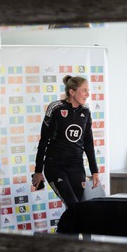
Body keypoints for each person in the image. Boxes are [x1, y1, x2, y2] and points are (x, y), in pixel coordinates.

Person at [32, 75, 100, 209]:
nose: (88, 94)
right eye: (84, 90)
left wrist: (94, 171)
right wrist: (38, 171)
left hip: (77, 167)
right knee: (73, 206)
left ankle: (66, 230)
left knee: (78, 208)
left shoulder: (86, 111)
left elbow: (88, 143)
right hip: (56, 166)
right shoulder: (55, 108)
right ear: (72, 92)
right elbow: (44, 140)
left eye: (88, 90)